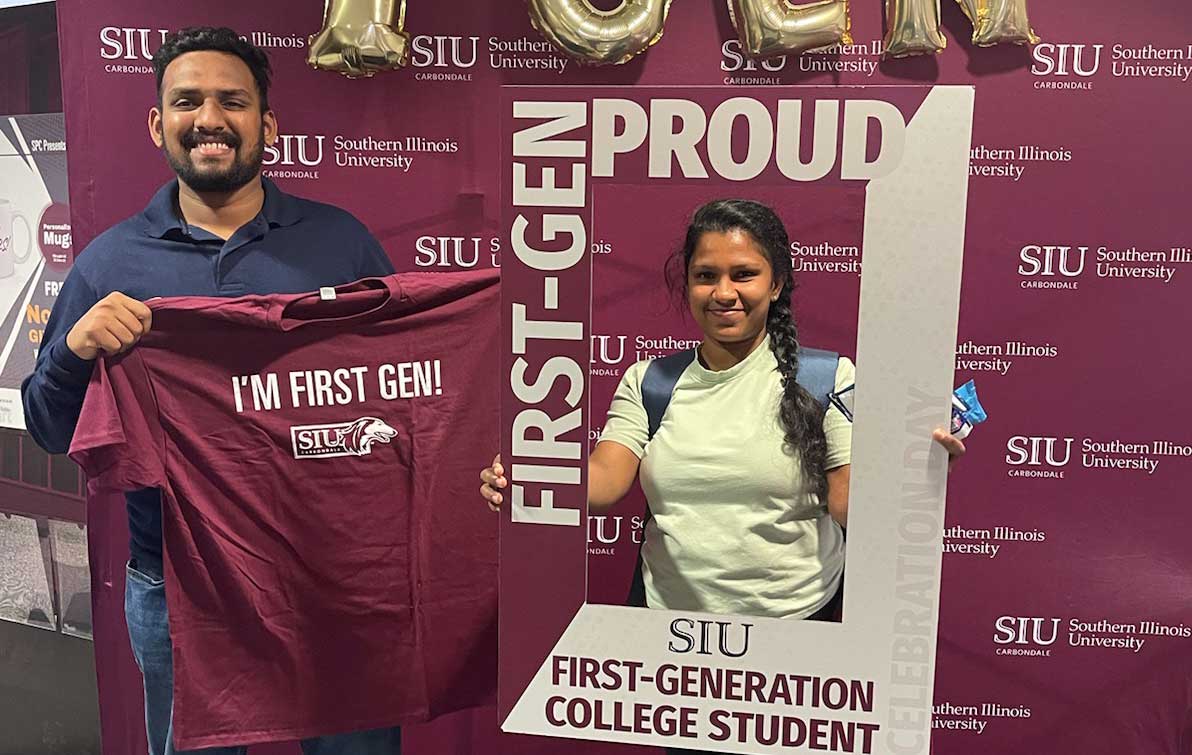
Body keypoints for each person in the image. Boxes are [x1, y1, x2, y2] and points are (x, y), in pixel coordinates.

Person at [21, 27, 400, 755]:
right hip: (177, 586)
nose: (210, 119)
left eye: (233, 101)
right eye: (188, 101)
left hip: (330, 580)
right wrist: (74, 351)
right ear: (159, 124)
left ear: (268, 124)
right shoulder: (109, 264)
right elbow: (47, 423)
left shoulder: (342, 245)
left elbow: (405, 391)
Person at [480, 198, 965, 617]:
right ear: (687, 283)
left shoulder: (829, 379)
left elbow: (845, 504)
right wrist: (537, 475)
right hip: (666, 626)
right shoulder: (649, 382)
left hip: (799, 628)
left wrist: (915, 471)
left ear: (776, 285)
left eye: (745, 274)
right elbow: (605, 481)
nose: (724, 293)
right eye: (706, 276)